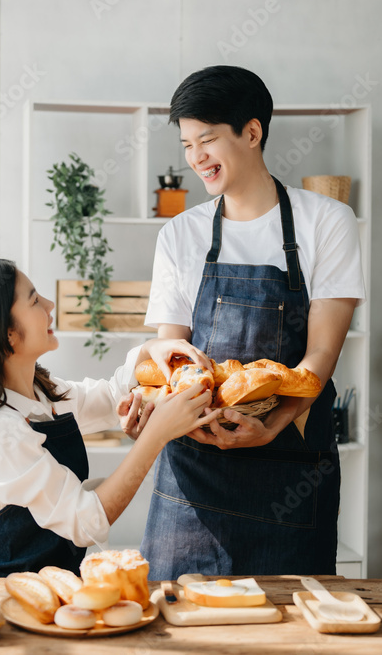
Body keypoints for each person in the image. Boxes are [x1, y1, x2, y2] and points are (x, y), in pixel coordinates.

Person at [138, 66, 367, 579]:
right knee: (178, 623)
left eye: (208, 139)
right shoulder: (180, 234)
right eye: (187, 143)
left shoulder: (327, 222)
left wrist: (270, 426)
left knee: (289, 625)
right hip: (193, 472)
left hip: (288, 469)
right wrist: (167, 413)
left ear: (253, 132)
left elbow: (319, 359)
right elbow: (171, 352)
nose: (196, 157)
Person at [0, 258, 216, 578]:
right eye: (34, 300)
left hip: (55, 587)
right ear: (7, 334)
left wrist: (152, 348)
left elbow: (109, 398)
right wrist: (155, 436)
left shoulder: (43, 393)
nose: (49, 305)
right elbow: (86, 523)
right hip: (1, 595)